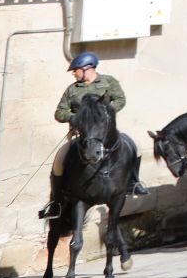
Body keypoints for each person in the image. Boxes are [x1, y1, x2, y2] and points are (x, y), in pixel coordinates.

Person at [39, 53, 144, 219]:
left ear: (87, 69)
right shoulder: (72, 90)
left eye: (76, 70)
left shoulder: (109, 82)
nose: (74, 74)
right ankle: (57, 202)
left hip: (106, 130)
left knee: (136, 145)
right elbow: (59, 112)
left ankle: (133, 183)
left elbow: (120, 100)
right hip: (82, 135)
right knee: (60, 160)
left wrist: (104, 113)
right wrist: (75, 118)